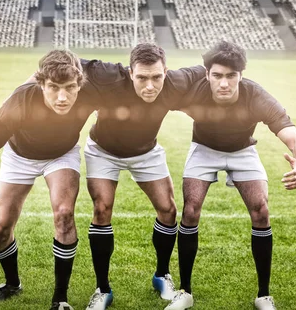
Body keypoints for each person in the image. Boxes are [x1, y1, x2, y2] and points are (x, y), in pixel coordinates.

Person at [165, 41, 296, 310]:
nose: (224, 83)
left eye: (231, 76)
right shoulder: (192, 90)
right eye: (218, 75)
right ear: (206, 73)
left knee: (261, 210)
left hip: (243, 150)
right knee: (190, 210)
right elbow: (154, 95)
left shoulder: (255, 96)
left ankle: (263, 295)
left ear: (241, 76)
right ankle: (185, 292)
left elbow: (292, 135)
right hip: (204, 149)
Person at [0, 49, 95, 310]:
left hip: (61, 155)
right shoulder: (19, 102)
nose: (62, 97)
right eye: (53, 88)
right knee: (0, 229)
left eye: (70, 87)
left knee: (64, 214)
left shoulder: (91, 91)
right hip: (19, 156)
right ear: (41, 84)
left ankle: (60, 299)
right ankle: (12, 284)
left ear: (79, 83)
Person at [79, 43, 205, 310]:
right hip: (103, 150)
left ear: (166, 72)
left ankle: (162, 275)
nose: (150, 86)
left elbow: (209, 69)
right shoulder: (108, 75)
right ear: (129, 72)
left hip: (146, 153)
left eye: (157, 77)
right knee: (102, 208)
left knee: (168, 209)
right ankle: (102, 290)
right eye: (142, 78)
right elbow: (66, 62)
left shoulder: (176, 81)